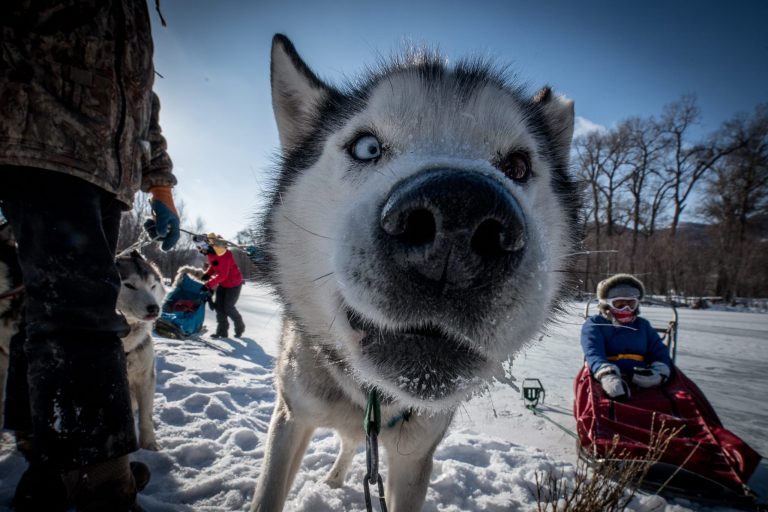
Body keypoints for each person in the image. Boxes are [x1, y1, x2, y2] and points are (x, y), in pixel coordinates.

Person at [0, 2, 179, 510]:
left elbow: (142, 94)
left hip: (109, 170)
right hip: (41, 138)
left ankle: (48, 464)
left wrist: (160, 182)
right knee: (84, 307)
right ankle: (100, 478)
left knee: (49, 309)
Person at [580, 274, 673, 399]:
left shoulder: (642, 325)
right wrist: (607, 375)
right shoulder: (596, 324)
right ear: (607, 304)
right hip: (608, 374)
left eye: (631, 304)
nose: (626, 308)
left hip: (642, 376)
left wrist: (659, 372)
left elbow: (659, 351)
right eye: (619, 304)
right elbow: (593, 352)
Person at [196, 234, 245, 339]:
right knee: (219, 307)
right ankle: (222, 332)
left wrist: (208, 285)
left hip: (234, 283)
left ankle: (240, 327)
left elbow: (223, 274)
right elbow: (214, 264)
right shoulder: (211, 253)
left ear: (209, 246)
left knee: (228, 307)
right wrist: (208, 273)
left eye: (202, 247)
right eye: (199, 247)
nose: (200, 250)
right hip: (223, 283)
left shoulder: (224, 254)